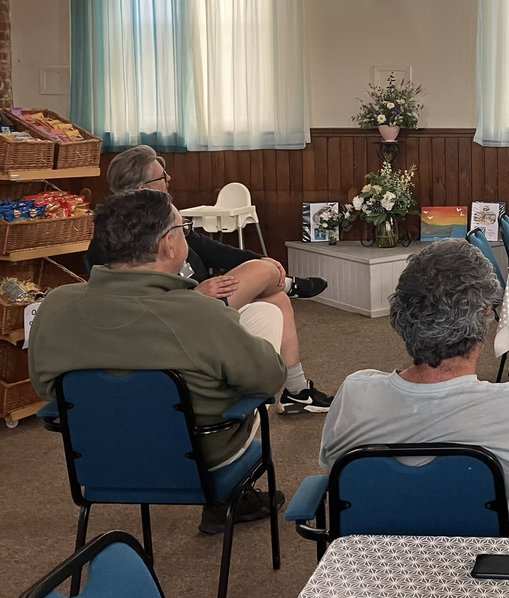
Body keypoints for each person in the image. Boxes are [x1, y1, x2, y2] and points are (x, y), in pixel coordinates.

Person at [28, 189, 287, 535]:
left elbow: (46, 386)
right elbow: (268, 381)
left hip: (98, 458)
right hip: (203, 454)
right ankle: (225, 502)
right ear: (168, 244)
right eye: (184, 227)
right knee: (264, 317)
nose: (186, 235)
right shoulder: (200, 313)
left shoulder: (56, 306)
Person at [319, 239, 509, 522]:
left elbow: (334, 474)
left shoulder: (354, 392)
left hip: (375, 556)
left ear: (401, 315)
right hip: (484, 557)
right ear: (485, 316)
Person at [90, 145, 333, 414]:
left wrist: (260, 259)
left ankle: (297, 392)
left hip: (202, 301)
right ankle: (289, 283)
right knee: (266, 274)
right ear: (140, 187)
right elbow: (129, 302)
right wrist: (196, 295)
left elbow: (211, 250)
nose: (169, 179)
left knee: (277, 298)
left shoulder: (166, 218)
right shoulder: (116, 240)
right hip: (187, 314)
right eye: (162, 176)